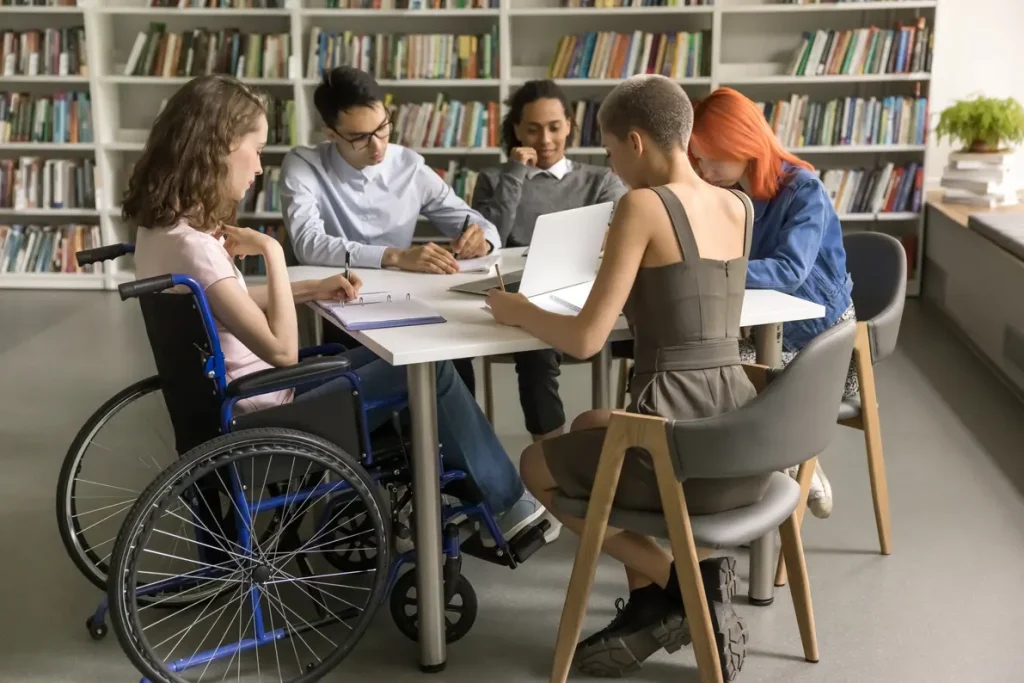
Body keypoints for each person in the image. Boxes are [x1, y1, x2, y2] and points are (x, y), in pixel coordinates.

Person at [125, 74, 550, 547]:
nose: (261, 167)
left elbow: (224, 304)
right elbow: (284, 352)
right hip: (269, 410)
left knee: (394, 357)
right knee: (430, 372)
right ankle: (508, 504)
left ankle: (460, 493)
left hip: (234, 399)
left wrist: (312, 289)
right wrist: (270, 251)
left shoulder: (161, 232)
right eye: (257, 149)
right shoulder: (199, 247)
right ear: (221, 147)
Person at [486, 74, 757, 680]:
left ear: (635, 142)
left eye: (609, 151)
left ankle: (686, 586)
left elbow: (585, 340)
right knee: (589, 425)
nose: (610, 164)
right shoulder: (737, 201)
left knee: (537, 465)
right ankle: (649, 606)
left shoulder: (641, 205)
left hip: (676, 440)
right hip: (740, 434)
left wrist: (513, 309)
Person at [689, 86, 858, 520]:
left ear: (741, 143)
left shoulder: (804, 190)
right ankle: (765, 483)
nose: (702, 169)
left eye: (709, 156)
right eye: (696, 158)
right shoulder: (729, 190)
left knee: (726, 376)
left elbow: (788, 271)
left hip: (824, 341)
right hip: (764, 329)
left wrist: (712, 267)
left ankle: (787, 473)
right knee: (710, 372)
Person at [279, 66, 497, 394]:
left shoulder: (409, 166)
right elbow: (308, 243)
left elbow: (476, 223)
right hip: (341, 305)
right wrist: (395, 256)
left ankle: (447, 444)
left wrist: (482, 241)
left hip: (409, 302)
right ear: (330, 133)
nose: (377, 145)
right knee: (374, 371)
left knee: (455, 355)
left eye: (383, 129)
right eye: (359, 137)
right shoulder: (304, 165)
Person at [472, 79, 627, 441]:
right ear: (517, 131)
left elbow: (622, 234)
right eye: (533, 129)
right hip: (522, 292)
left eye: (554, 127)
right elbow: (489, 238)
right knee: (535, 343)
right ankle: (551, 450)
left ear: (570, 125)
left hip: (585, 292)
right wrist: (514, 174)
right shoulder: (494, 178)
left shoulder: (600, 180)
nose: (544, 140)